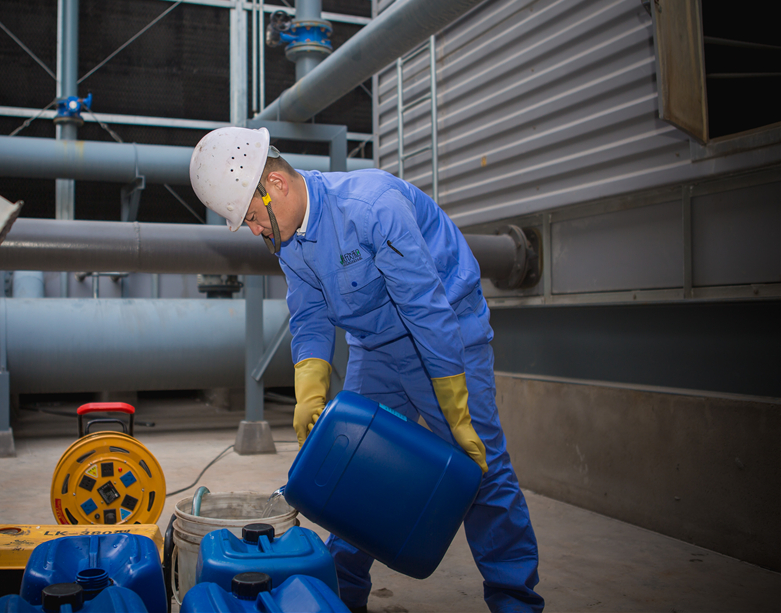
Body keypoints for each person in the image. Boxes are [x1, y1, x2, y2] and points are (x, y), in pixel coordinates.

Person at [189, 126, 543, 613]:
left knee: (480, 469)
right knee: (354, 468)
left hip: (445, 338)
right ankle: (343, 596)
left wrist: (455, 409)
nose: (255, 230)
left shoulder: (372, 205)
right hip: (377, 350)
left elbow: (425, 309)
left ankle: (514, 600)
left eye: (251, 217)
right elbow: (310, 314)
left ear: (277, 185)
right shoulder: (288, 239)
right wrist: (309, 390)